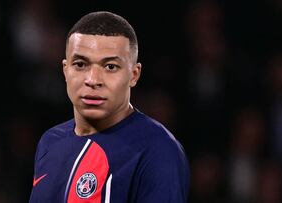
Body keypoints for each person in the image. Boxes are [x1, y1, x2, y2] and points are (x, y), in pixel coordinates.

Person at [29, 11, 190, 203]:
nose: (93, 80)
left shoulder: (158, 149)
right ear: (65, 70)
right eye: (80, 64)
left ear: (134, 74)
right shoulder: (50, 141)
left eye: (110, 67)